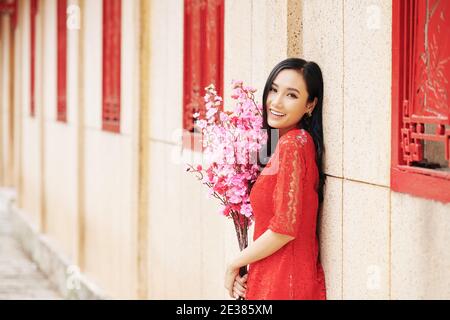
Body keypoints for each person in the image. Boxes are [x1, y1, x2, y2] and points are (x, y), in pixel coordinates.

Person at [224, 58, 327, 300]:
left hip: (283, 283)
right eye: (274, 89)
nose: (276, 102)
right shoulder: (291, 142)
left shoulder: (292, 145)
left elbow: (284, 230)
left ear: (310, 104)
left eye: (291, 95)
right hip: (277, 276)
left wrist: (234, 262)